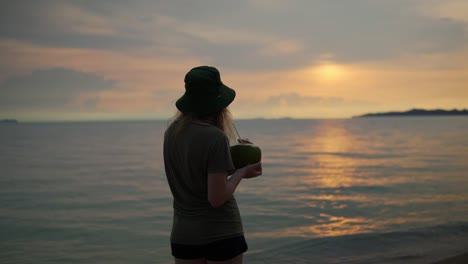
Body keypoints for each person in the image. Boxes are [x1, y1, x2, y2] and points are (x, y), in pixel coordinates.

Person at [163, 66, 263, 264]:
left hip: (184, 236)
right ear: (217, 104)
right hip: (220, 233)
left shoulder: (171, 133)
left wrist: (232, 164)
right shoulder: (214, 137)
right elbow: (216, 198)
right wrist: (242, 172)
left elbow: (195, 173)